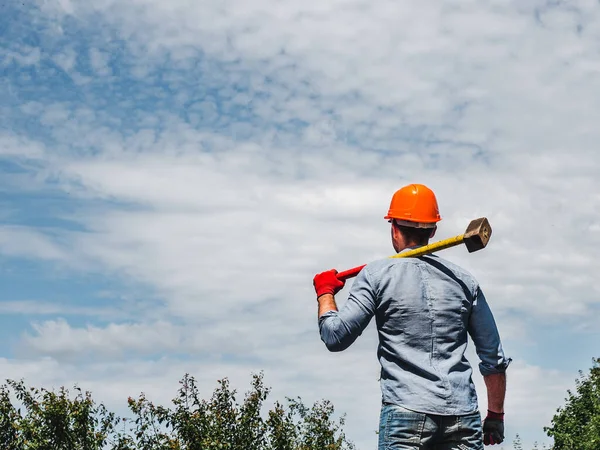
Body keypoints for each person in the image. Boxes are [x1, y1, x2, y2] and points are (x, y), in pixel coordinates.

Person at [313, 183, 511, 449]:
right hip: (462, 415)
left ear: (393, 228)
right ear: (434, 230)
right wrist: (495, 415)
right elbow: (493, 357)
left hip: (406, 413)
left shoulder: (375, 275)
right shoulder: (465, 282)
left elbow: (336, 336)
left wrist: (325, 293)